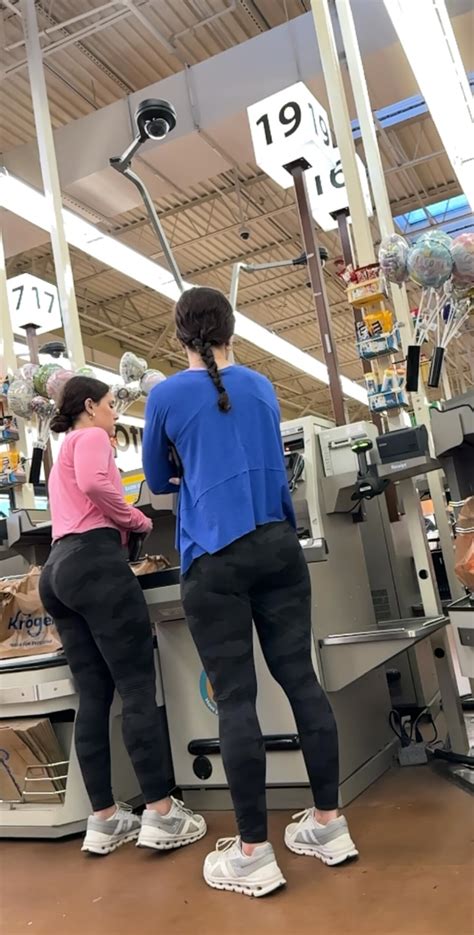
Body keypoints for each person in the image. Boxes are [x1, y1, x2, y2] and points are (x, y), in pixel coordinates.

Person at [142, 287, 358, 898]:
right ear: (231, 328)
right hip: (278, 547)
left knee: (237, 700)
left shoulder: (164, 395)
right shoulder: (263, 386)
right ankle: (328, 823)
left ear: (181, 335)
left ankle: (253, 854)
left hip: (215, 556)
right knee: (301, 680)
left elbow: (158, 481)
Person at [39, 376, 206, 856]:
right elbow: (95, 484)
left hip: (57, 571)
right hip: (95, 563)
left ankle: (104, 819)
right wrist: (135, 520)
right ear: (90, 406)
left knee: (93, 696)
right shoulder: (92, 437)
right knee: (135, 687)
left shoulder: (63, 449)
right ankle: (160, 811)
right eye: (112, 406)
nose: (115, 416)